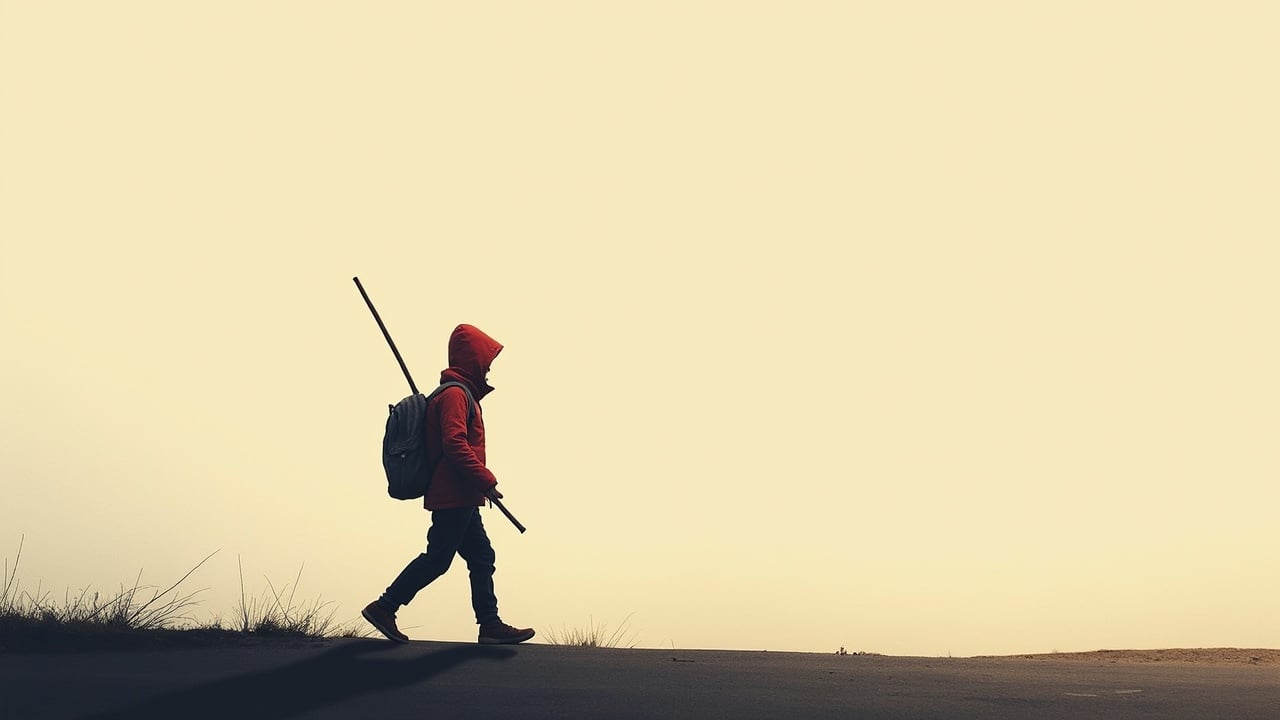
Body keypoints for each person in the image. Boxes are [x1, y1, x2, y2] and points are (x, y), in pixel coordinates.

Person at [362, 323, 534, 645]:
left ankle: (490, 625)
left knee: (481, 556)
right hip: (454, 495)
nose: (488, 369)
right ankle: (385, 607)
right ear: (472, 360)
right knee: (438, 559)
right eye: (486, 362)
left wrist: (479, 487)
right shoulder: (455, 395)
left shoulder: (458, 393)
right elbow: (455, 444)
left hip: (462, 495)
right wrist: (486, 480)